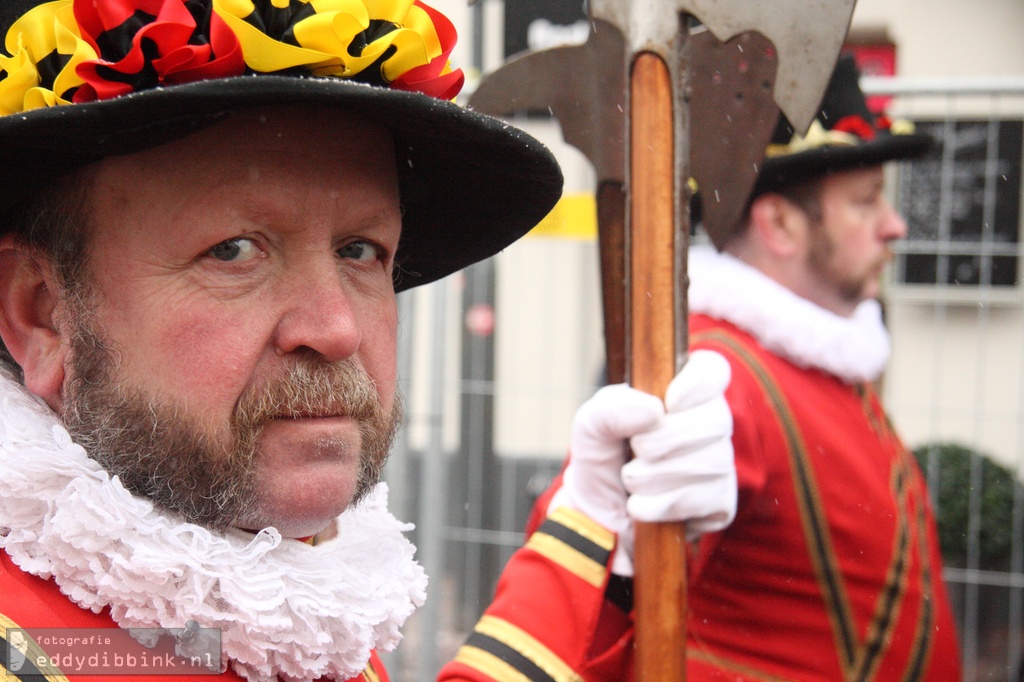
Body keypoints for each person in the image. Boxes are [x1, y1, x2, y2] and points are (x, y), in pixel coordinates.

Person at [0, 1, 737, 681]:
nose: (336, 328)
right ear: (42, 315)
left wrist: (599, 541)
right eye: (233, 251)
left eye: (361, 251)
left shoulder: (235, 615)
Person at [440, 55, 964, 681]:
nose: (895, 226)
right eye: (866, 201)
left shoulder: (819, 362)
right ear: (778, 223)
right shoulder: (718, 376)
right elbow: (594, 572)